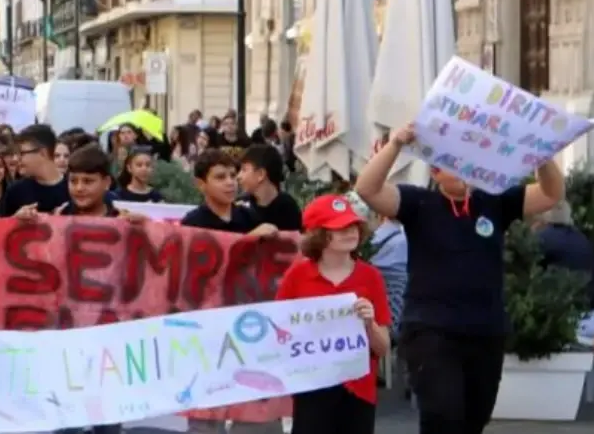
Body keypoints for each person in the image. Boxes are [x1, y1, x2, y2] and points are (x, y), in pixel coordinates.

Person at [353, 122, 566, 434]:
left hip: (485, 330)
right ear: (437, 172)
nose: (469, 171)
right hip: (431, 331)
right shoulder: (418, 203)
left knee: (473, 421)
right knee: (443, 417)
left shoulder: (494, 201)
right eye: (459, 165)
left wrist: (541, 157)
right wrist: (395, 144)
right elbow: (367, 189)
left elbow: (551, 194)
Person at [276, 195, 391, 434]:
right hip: (311, 387)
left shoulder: (371, 277)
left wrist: (369, 324)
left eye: (353, 226)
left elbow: (383, 348)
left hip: (358, 391)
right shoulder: (296, 276)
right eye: (340, 228)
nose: (351, 232)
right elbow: (279, 333)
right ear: (318, 234)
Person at [180, 149, 276, 237]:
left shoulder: (249, 217)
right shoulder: (192, 224)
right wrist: (250, 238)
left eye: (233, 176)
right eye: (220, 177)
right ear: (201, 184)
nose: (230, 182)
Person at [3, 124, 70, 216]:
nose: (16, 159)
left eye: (22, 153)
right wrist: (16, 219)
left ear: (43, 153)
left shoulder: (73, 188)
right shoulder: (15, 191)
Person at [237, 144, 303, 231]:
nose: (238, 176)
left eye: (244, 170)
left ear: (261, 174)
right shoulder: (241, 205)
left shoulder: (287, 207)